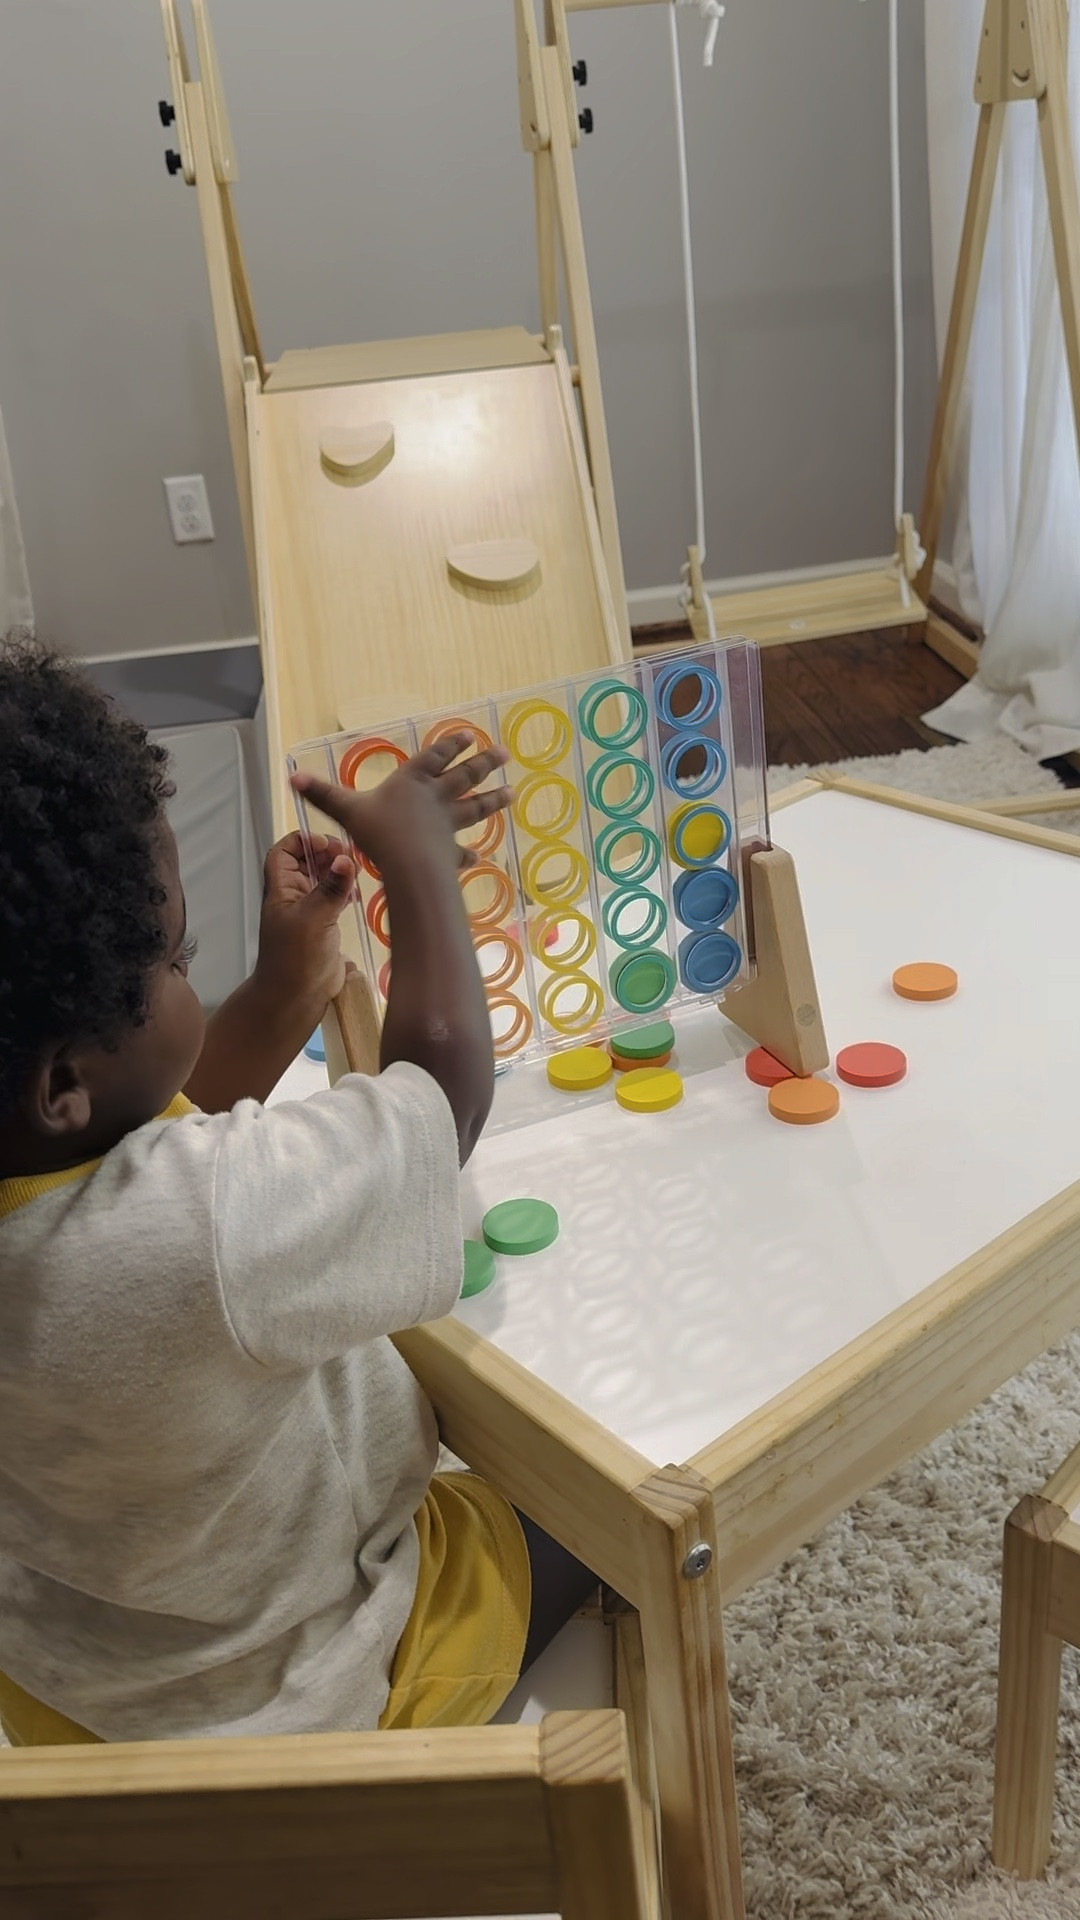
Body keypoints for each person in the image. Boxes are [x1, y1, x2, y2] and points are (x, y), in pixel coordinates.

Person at [0, 638, 596, 1746]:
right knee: (596, 1509)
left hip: (77, 1709)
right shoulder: (210, 1229)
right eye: (177, 963)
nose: (190, 974)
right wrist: (422, 869)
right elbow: (441, 1100)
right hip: (310, 1690)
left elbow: (172, 1138)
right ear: (66, 1080)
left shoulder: (50, 1165)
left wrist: (283, 980)